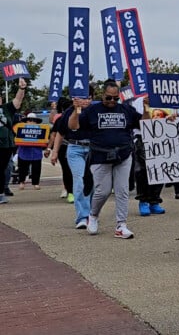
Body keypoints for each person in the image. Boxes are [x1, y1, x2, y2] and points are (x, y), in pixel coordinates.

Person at [69, 80, 145, 239]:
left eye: (115, 98)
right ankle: (93, 215)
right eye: (108, 98)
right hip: (100, 155)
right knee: (102, 191)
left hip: (123, 155)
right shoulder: (92, 110)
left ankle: (121, 225)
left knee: (122, 190)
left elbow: (145, 123)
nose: (111, 102)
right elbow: (73, 126)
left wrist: (146, 108)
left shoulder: (126, 109)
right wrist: (76, 108)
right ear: (101, 95)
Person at [50, 97, 96, 227]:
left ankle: (92, 213)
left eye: (88, 98)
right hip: (75, 149)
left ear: (92, 99)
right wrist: (55, 152)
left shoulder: (96, 110)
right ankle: (83, 216)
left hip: (93, 149)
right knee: (80, 179)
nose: (85, 101)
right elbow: (60, 132)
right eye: (82, 98)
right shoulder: (69, 112)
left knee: (92, 183)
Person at [0, 77, 27, 204]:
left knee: (2, 168)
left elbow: (18, 100)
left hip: (6, 145)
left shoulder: (7, 109)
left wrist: (21, 88)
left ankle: (1, 192)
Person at [48, 98, 75, 201]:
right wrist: (52, 151)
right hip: (63, 147)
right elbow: (55, 135)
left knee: (74, 171)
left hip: (76, 146)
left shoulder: (80, 116)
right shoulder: (60, 119)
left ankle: (76, 191)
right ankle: (70, 192)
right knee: (67, 170)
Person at [15, 113, 44, 190]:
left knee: (36, 168)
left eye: (33, 120)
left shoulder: (40, 129)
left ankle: (36, 183)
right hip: (24, 152)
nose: (31, 122)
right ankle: (21, 182)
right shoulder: (21, 129)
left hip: (36, 152)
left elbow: (44, 140)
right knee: (22, 168)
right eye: (29, 120)